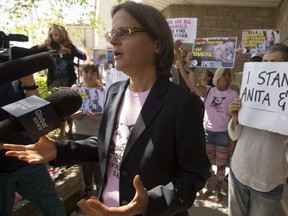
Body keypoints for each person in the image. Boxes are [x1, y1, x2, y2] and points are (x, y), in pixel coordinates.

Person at [3, 2, 210, 216]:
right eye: (112, 32)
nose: (112, 40)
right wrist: (59, 149)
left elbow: (196, 175)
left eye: (125, 32)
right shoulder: (114, 92)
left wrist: (150, 202)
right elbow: (110, 144)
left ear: (157, 44)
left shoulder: (183, 103)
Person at [227, 43, 288, 216]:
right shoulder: (252, 90)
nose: (267, 66)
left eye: (274, 62)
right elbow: (234, 134)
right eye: (265, 61)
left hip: (268, 182)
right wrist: (235, 118)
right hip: (239, 173)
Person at [0, 75, 65, 216]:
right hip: (1, 169)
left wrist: (29, 84)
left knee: (55, 208)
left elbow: (43, 124)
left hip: (28, 159)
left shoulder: (14, 75)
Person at [187, 67, 238, 203]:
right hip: (207, 133)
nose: (226, 77)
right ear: (218, 76)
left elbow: (236, 117)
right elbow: (192, 85)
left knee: (221, 166)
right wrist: (192, 68)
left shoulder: (233, 94)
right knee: (207, 164)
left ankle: (217, 190)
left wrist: (234, 138)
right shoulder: (209, 90)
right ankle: (206, 187)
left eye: (229, 74)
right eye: (224, 74)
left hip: (223, 134)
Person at [31, 24, 78, 138]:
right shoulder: (49, 47)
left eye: (59, 35)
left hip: (68, 81)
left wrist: (51, 44)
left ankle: (71, 130)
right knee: (57, 107)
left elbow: (65, 50)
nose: (57, 37)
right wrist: (43, 45)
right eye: (54, 35)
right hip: (54, 81)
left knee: (70, 106)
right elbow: (32, 51)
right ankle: (61, 132)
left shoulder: (69, 46)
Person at [70, 60, 104, 198]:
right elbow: (68, 111)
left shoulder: (103, 89)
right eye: (86, 72)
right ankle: (88, 189)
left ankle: (100, 191)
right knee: (84, 163)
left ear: (97, 74)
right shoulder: (75, 88)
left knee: (97, 162)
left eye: (93, 72)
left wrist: (98, 117)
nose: (89, 75)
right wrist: (74, 114)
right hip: (79, 131)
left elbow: (109, 112)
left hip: (97, 132)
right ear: (81, 73)